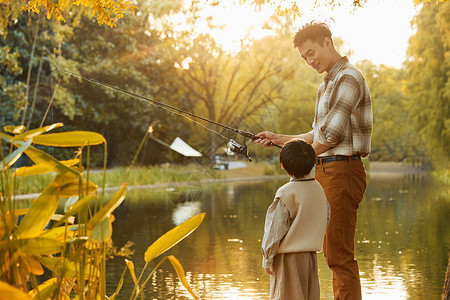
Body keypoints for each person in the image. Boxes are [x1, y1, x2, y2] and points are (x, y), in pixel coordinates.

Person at [254, 21, 373, 300]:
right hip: (323, 171)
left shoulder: (349, 78)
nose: (309, 61)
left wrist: (296, 155)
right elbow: (316, 134)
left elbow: (330, 137)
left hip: (341, 171)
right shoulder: (327, 85)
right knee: (312, 249)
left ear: (327, 42)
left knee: (339, 255)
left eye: (311, 53)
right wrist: (280, 139)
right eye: (304, 57)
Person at [261, 139, 329, 300]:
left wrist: (267, 258)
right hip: (310, 258)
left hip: (287, 259)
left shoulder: (286, 192)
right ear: (313, 162)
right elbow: (325, 217)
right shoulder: (319, 189)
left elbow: (275, 230)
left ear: (283, 165)